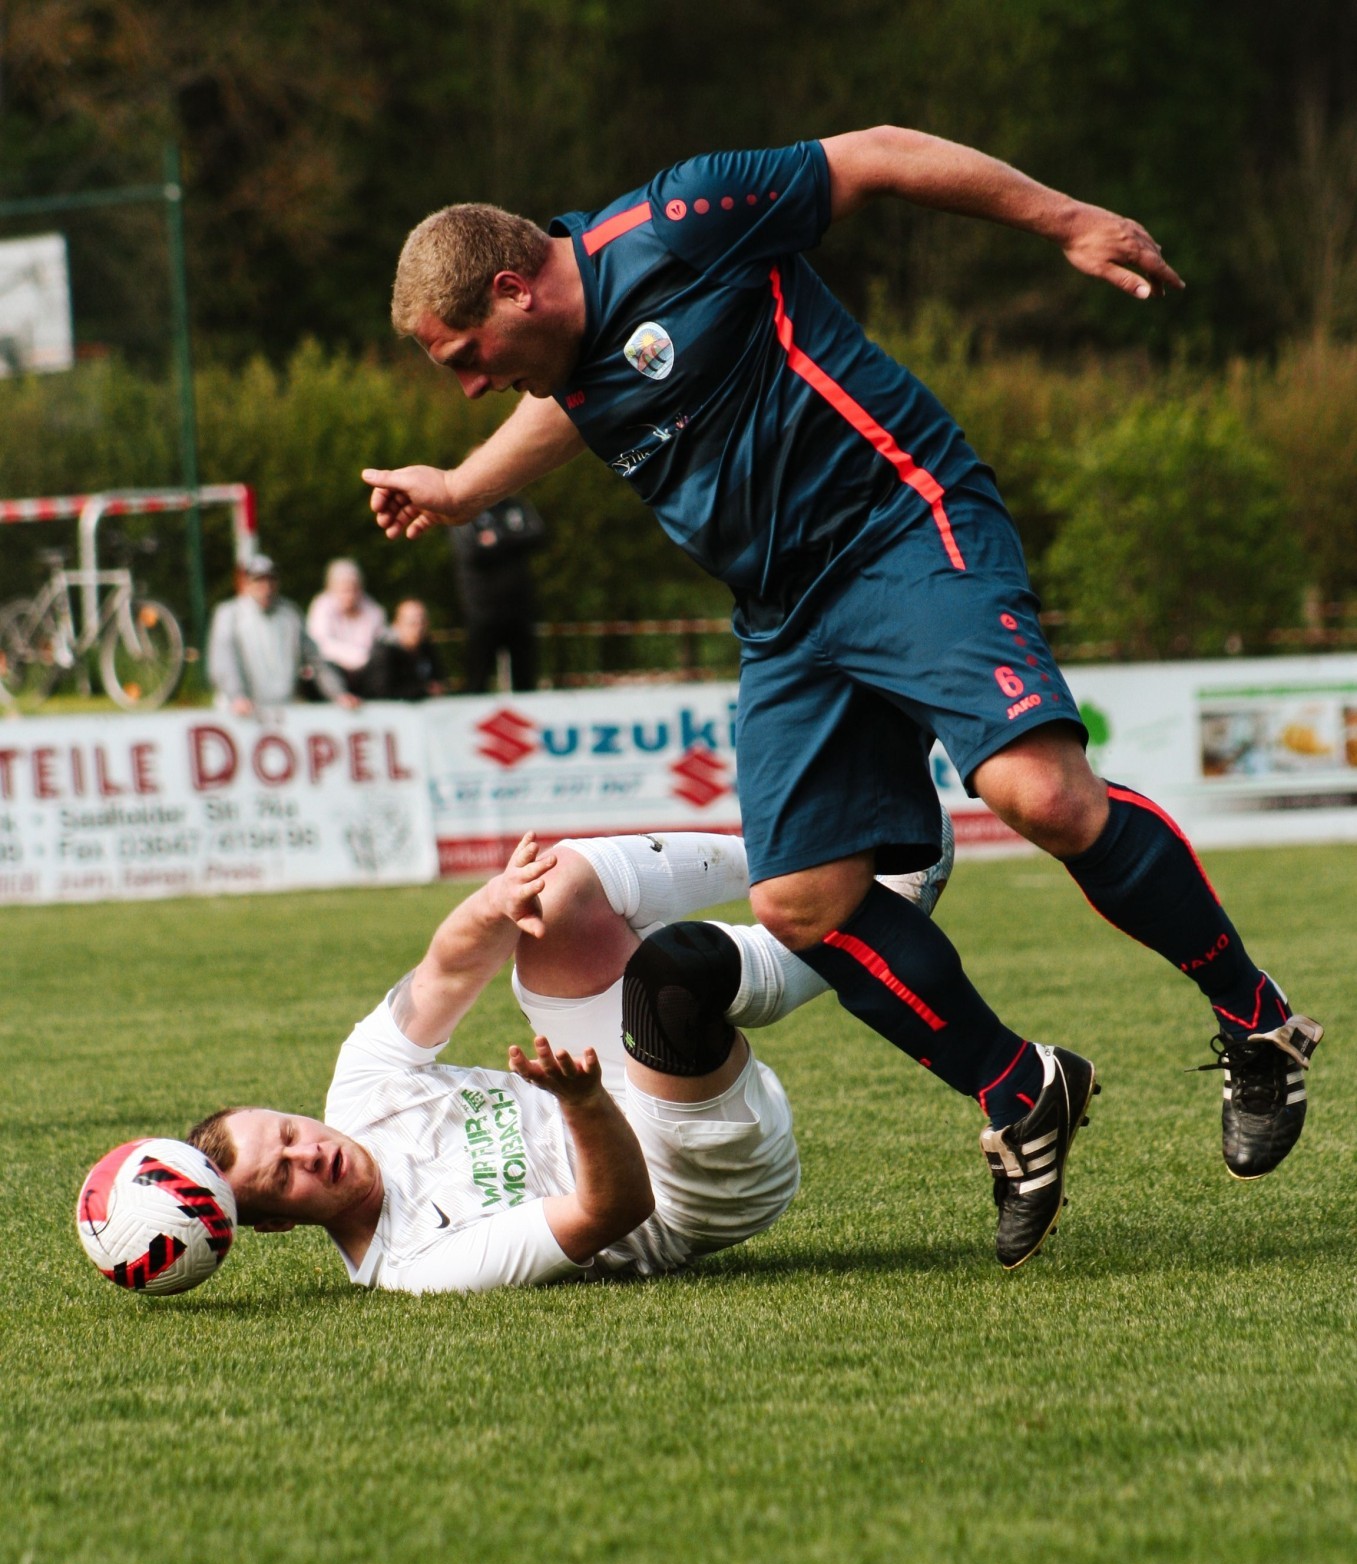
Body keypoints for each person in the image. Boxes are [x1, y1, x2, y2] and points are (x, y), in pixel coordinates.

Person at [359, 128, 1324, 1271]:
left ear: (517, 286)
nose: (471, 382)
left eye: (468, 352)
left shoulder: (679, 222)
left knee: (1040, 795)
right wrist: (465, 485)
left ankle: (1256, 1019)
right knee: (801, 902)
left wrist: (1066, 218)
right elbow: (587, 402)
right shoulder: (567, 358)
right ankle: (1021, 1092)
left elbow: (872, 157)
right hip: (785, 619)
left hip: (904, 528)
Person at [185, 828, 950, 1294]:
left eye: (287, 1133)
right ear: (279, 1225)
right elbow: (608, 1211)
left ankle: (807, 858)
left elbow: (447, 971)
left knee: (553, 890)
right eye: (282, 1175)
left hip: (605, 1082)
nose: (309, 1152)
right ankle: (882, 912)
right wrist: (583, 1105)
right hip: (685, 1186)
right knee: (672, 979)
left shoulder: (360, 1091)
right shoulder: (415, 1266)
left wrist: (490, 906)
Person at [207, 553, 359, 715]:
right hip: (242, 713)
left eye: (271, 580)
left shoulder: (290, 614)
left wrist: (338, 693)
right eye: (259, 581)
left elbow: (316, 659)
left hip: (283, 711)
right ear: (246, 583)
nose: (266, 588)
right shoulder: (229, 614)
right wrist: (237, 696)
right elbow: (224, 661)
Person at [450, 496, 546, 692]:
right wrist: (515, 541)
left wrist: (499, 538)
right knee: (477, 682)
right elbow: (472, 551)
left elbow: (538, 534)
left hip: (519, 610)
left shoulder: (516, 505)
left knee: (526, 682)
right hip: (482, 613)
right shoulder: (467, 509)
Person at [306, 558, 387, 692]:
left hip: (365, 674)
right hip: (333, 672)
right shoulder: (321, 606)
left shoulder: (373, 610)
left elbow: (379, 642)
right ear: (331, 588)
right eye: (344, 590)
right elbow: (321, 645)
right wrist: (358, 657)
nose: (350, 595)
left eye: (354, 589)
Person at [358, 598, 448, 700]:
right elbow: (381, 693)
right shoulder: (384, 653)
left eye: (422, 622)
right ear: (397, 624)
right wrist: (423, 690)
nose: (419, 628)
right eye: (412, 623)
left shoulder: (428, 649)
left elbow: (440, 678)